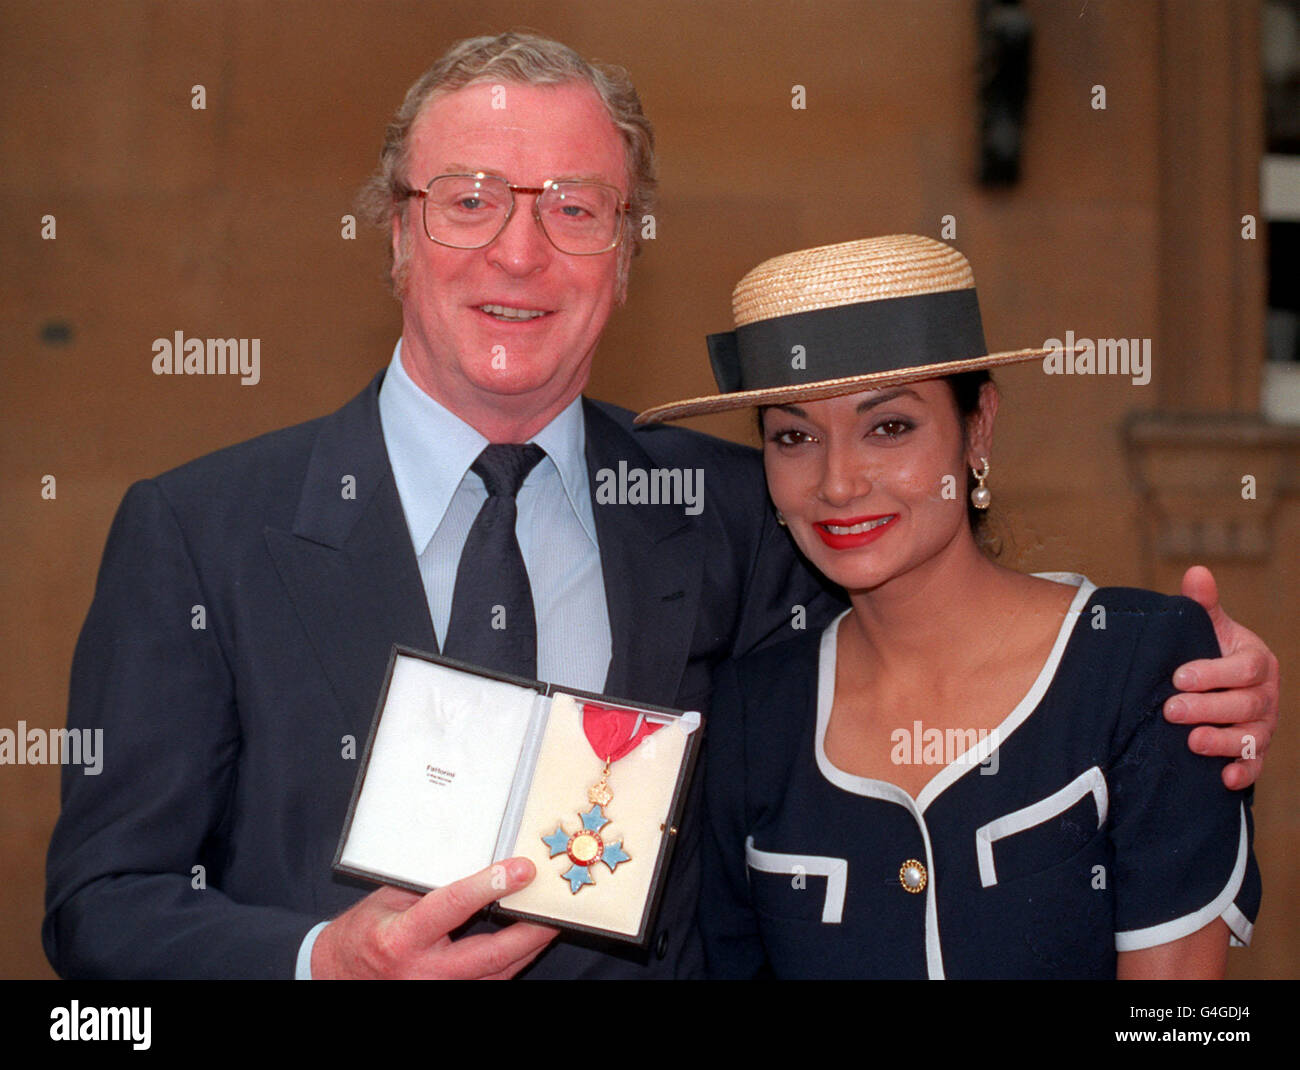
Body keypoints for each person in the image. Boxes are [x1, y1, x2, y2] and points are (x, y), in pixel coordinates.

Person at [44, 34, 1276, 980]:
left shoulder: (741, 508)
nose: (520, 254)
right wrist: (320, 961)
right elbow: (100, 904)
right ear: (396, 233)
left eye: (575, 207)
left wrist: (1162, 671)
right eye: (470, 197)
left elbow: (935, 617)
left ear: (625, 253)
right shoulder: (199, 532)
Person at [636, 234, 1263, 978]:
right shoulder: (751, 713)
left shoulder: (1137, 664)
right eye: (795, 436)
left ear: (979, 426)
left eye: (889, 427)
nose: (837, 483)